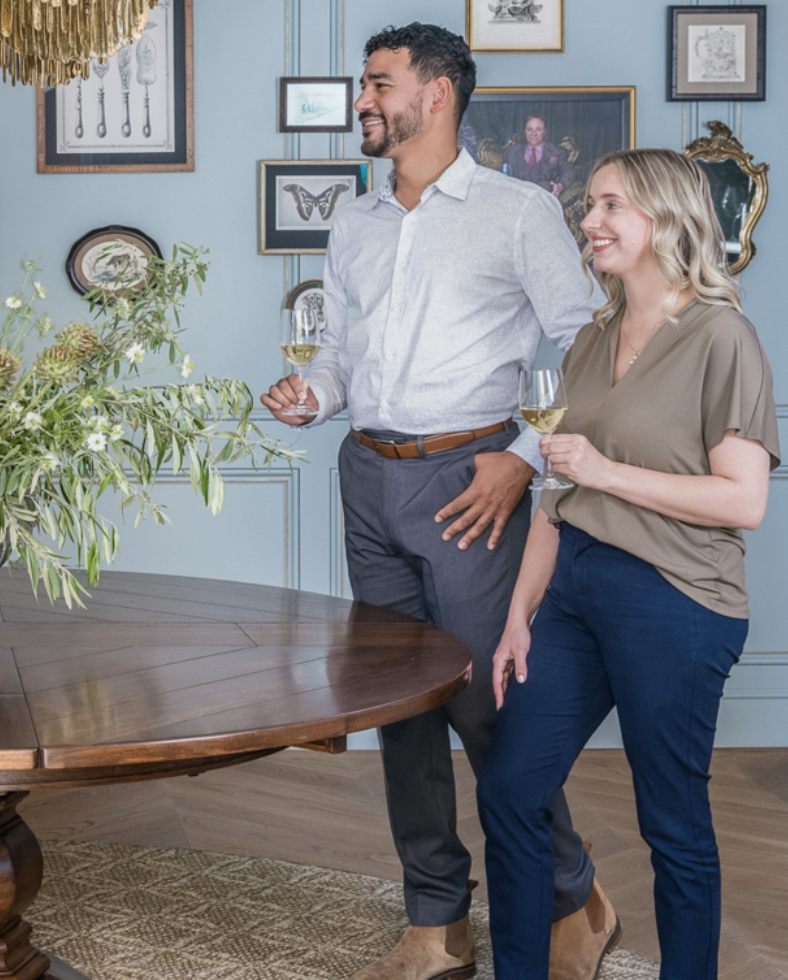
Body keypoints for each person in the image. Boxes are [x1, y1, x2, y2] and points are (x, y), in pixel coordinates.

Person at [259, 23, 610, 980]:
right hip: (365, 475)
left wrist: (526, 459)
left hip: (473, 485)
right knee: (397, 710)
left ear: (439, 93)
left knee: (489, 711)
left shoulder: (517, 211)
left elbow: (588, 351)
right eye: (363, 85)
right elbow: (339, 355)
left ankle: (573, 896)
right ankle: (436, 921)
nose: (363, 100)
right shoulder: (356, 220)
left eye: (378, 84)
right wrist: (315, 395)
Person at [477, 149, 777, 980]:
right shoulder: (592, 337)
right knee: (509, 792)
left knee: (671, 822)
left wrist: (605, 470)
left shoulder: (723, 337)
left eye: (610, 206)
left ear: (666, 219)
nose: (589, 222)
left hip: (675, 600)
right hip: (572, 589)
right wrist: (518, 614)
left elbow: (743, 500)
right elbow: (556, 490)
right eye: (589, 206)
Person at [505, 115, 576, 198]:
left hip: (544, 199)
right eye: (529, 129)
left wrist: (559, 187)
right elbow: (502, 176)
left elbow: (569, 172)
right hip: (517, 199)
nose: (533, 133)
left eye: (538, 129)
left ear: (545, 132)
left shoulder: (556, 152)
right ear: (525, 131)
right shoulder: (511, 152)